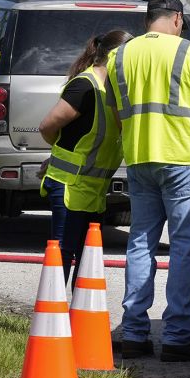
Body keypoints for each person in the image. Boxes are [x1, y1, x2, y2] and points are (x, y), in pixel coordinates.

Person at [107, 0, 190, 361]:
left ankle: (134, 333)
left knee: (140, 242)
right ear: (176, 19)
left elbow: (116, 111)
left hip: (141, 158)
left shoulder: (119, 56)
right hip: (185, 159)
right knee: (184, 247)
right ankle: (176, 337)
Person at [40, 28, 132, 285]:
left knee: (87, 257)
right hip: (69, 187)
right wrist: (58, 151)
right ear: (115, 57)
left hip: (92, 191)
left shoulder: (111, 91)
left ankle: (76, 319)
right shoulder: (85, 85)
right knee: (63, 253)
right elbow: (48, 126)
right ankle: (51, 320)